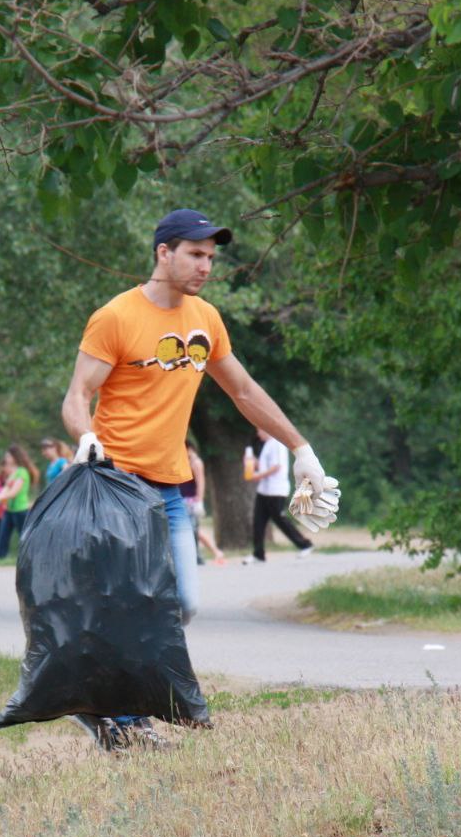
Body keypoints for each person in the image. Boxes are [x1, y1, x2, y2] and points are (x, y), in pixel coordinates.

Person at [60, 208, 341, 750]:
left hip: (169, 489)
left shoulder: (205, 320)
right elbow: (77, 396)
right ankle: (120, 719)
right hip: (116, 485)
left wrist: (301, 448)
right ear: (163, 252)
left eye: (211, 256)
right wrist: (85, 437)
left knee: (182, 603)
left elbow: (244, 391)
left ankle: (105, 705)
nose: (205, 266)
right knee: (130, 601)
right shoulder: (116, 317)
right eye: (194, 254)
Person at [244, 427, 314, 564]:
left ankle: (305, 544)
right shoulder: (267, 446)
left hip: (276, 489)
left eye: (259, 430)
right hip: (264, 490)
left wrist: (258, 476)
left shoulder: (276, 443)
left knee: (279, 519)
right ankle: (258, 553)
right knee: (258, 521)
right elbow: (265, 466)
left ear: (266, 430)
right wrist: (252, 462)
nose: (258, 434)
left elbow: (276, 467)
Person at [0, 444, 39, 559]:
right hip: (8, 510)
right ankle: (0, 559)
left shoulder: (22, 472)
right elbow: (6, 490)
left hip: (20, 510)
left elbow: (13, 492)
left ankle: (32, 558)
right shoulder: (13, 473)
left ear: (15, 456)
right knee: (2, 537)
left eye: (8, 456)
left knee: (25, 537)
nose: (6, 458)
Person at [182, 440, 226, 565]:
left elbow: (201, 482)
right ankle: (213, 552)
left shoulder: (196, 462)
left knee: (193, 529)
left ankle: (209, 552)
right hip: (183, 499)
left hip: (190, 500)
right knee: (193, 529)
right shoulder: (187, 462)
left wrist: (199, 500)